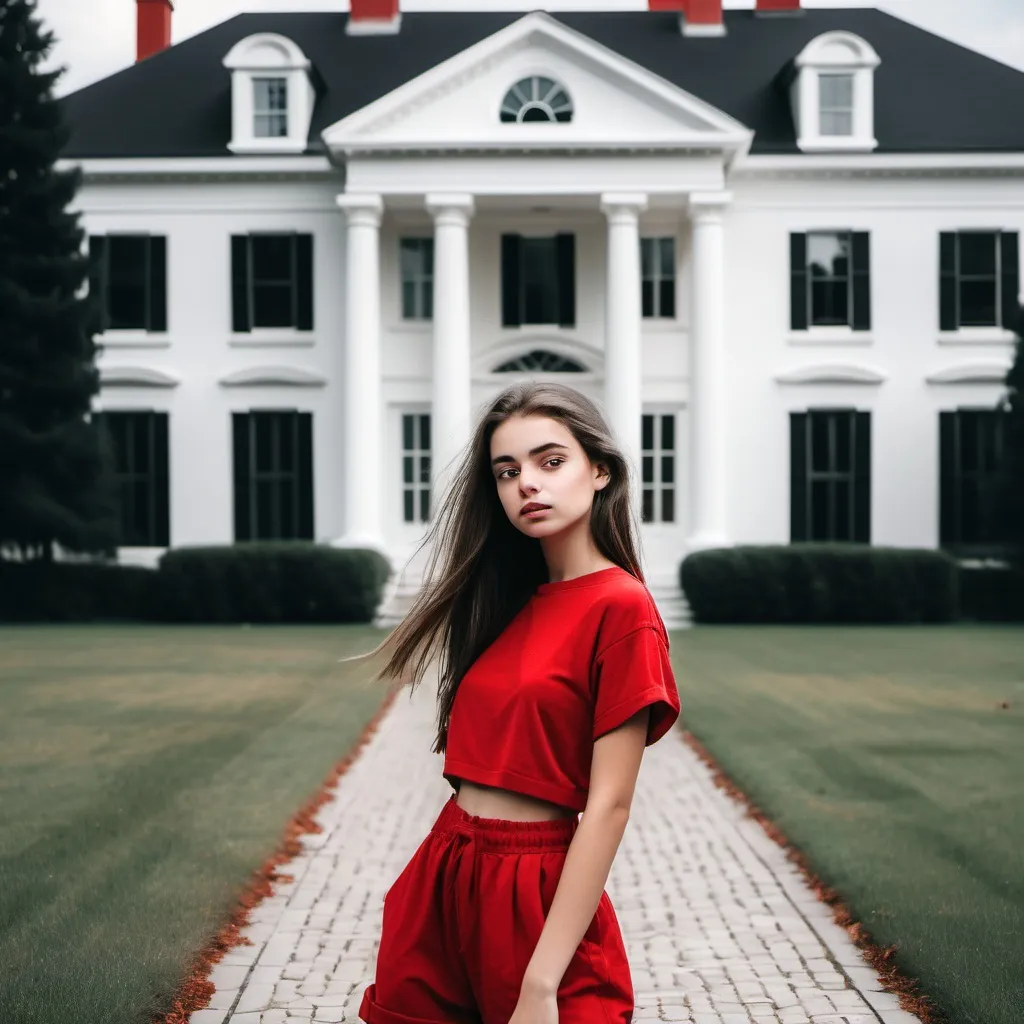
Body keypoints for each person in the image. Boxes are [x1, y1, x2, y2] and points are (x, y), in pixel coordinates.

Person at [347, 380, 681, 1024]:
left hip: (534, 886)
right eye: (507, 471)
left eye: (550, 461)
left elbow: (609, 807)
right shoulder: (507, 604)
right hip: (447, 866)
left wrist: (541, 980)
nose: (527, 483)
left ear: (601, 469)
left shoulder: (623, 608)